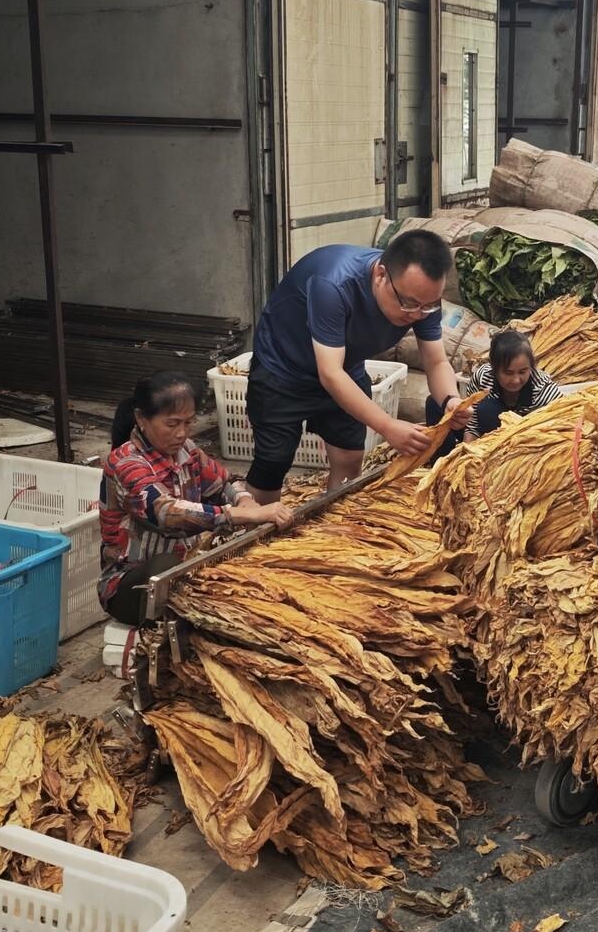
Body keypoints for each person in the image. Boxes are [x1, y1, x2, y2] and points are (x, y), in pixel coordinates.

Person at [244, 231, 475, 500]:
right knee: (272, 464)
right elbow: (330, 374)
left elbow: (436, 361)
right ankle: (259, 520)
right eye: (408, 303)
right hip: (283, 368)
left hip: (345, 367)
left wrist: (450, 400)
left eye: (428, 306)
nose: (416, 314)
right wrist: (387, 426)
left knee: (350, 457)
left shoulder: (422, 301)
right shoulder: (333, 284)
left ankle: (335, 519)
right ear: (380, 275)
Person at [99, 372, 291, 655]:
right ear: (141, 419)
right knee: (167, 569)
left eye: (189, 422)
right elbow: (167, 514)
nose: (182, 433)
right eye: (172, 423)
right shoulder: (125, 463)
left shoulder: (186, 451)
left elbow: (223, 483)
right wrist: (240, 515)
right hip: (132, 585)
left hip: (187, 566)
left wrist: (245, 500)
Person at [463, 329, 564, 440]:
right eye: (508, 373)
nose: (516, 380)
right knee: (486, 408)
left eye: (522, 372)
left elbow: (564, 424)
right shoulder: (483, 378)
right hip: (492, 435)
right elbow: (472, 424)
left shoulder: (545, 390)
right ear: (494, 369)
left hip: (533, 439)